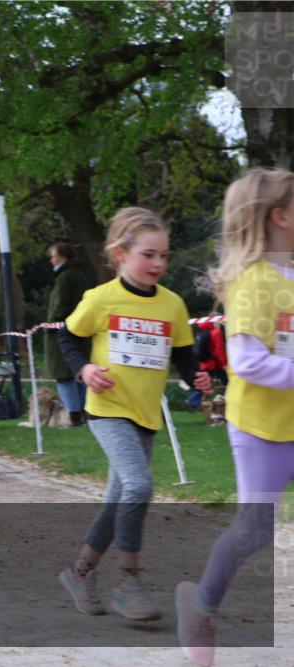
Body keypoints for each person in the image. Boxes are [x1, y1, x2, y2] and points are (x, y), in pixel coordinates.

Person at [56, 207, 212, 621]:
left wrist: (195, 376)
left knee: (119, 498)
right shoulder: (101, 298)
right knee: (139, 486)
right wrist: (84, 369)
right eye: (148, 255)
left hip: (145, 415)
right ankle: (128, 584)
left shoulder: (172, 304)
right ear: (120, 254)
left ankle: (78, 573)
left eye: (164, 255)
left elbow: (183, 354)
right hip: (108, 410)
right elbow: (68, 337)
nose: (158, 263)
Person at [176, 168, 294, 667]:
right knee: (254, 531)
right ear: (280, 216)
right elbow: (246, 362)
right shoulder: (253, 281)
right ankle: (201, 609)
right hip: (262, 430)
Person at [45, 242, 92, 427]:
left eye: (54, 256)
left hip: (62, 332)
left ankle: (73, 416)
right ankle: (84, 413)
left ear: (63, 257)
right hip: (79, 331)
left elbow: (61, 305)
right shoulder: (80, 275)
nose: (52, 260)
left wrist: (50, 324)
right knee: (78, 374)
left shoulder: (64, 278)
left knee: (63, 376)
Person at [185, 318, 228, 412]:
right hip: (214, 364)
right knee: (227, 382)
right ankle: (192, 401)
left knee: (222, 382)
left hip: (204, 363)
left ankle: (193, 402)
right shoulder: (216, 332)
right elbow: (219, 350)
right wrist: (225, 363)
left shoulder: (204, 331)